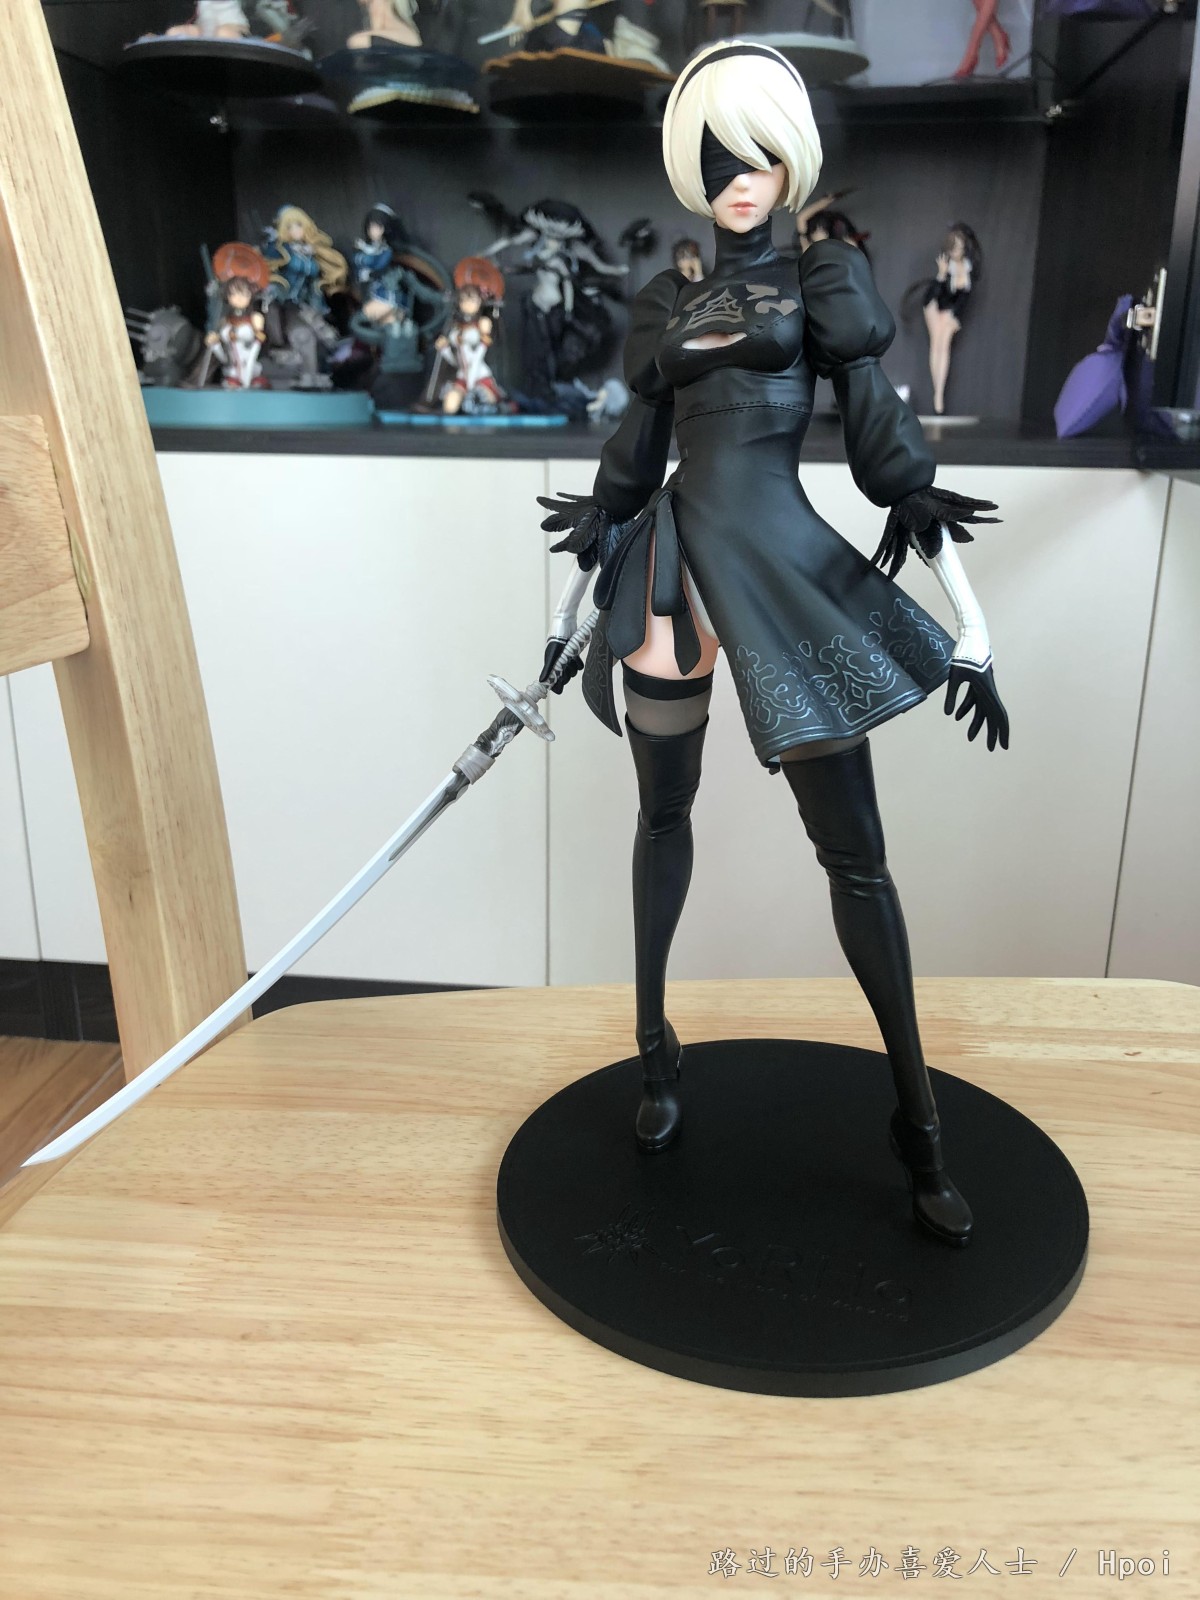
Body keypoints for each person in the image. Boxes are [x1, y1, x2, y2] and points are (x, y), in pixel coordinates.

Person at [537, 41, 1007, 1248]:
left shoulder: (826, 284)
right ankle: (654, 1049)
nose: (735, 179)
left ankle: (920, 1123)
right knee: (661, 816)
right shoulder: (665, 304)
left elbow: (889, 455)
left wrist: (971, 621)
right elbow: (625, 470)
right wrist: (560, 623)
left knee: (857, 859)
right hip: (671, 572)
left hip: (784, 569)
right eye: (712, 160)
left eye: (752, 155)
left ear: (789, 158)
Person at [916, 223, 981, 416]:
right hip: (934, 303)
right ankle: (937, 394)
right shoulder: (946, 264)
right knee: (936, 343)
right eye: (954, 248)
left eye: (960, 248)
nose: (957, 252)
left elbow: (964, 298)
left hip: (952, 309)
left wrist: (954, 317)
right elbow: (937, 294)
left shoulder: (969, 268)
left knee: (944, 345)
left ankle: (939, 394)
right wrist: (942, 275)